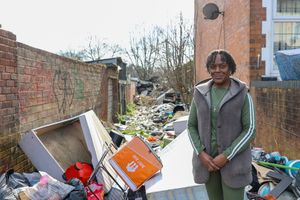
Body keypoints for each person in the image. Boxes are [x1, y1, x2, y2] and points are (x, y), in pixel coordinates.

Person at [187, 49, 256, 200]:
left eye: (222, 66)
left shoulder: (242, 93)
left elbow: (250, 129)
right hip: (208, 164)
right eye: (213, 66)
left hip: (234, 164)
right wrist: (201, 153)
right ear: (209, 69)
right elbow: (191, 125)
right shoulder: (200, 93)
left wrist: (227, 155)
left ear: (230, 69)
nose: (217, 70)